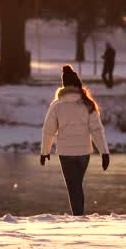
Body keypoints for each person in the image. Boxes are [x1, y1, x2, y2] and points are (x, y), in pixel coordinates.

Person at [40, 64, 111, 216]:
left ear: (64, 85)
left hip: (66, 153)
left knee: (74, 186)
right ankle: (79, 217)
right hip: (84, 153)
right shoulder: (87, 104)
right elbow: (97, 130)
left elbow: (48, 131)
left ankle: (78, 218)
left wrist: (44, 151)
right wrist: (104, 152)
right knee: (76, 185)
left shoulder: (56, 105)